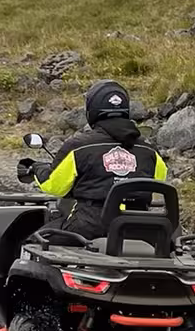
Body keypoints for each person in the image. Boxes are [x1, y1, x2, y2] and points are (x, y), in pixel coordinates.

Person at [27, 79, 169, 238]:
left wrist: (36, 169)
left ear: (91, 111)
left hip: (89, 227)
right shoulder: (149, 150)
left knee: (32, 241)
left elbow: (54, 186)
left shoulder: (78, 147)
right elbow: (159, 181)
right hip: (138, 228)